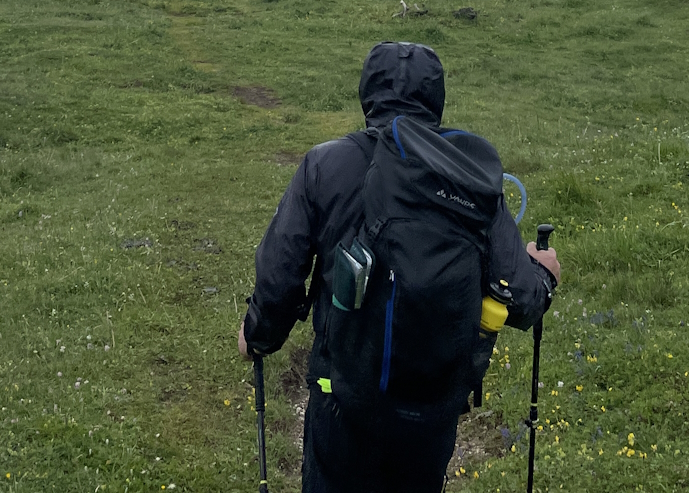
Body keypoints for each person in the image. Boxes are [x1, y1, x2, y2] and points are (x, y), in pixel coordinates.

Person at [238, 41, 561, 493]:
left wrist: (257, 336)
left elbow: (280, 278)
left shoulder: (324, 165)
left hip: (340, 400)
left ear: (367, 94)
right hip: (430, 411)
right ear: (437, 101)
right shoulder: (469, 178)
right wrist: (546, 272)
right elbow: (524, 300)